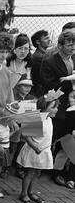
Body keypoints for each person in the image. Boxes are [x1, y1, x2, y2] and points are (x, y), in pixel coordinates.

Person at [40, 31, 75, 187]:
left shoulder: (73, 59)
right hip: (56, 107)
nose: (73, 47)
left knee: (66, 139)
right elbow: (48, 86)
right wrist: (69, 83)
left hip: (72, 107)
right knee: (52, 136)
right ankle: (37, 166)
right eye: (70, 44)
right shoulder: (49, 62)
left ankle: (57, 170)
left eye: (74, 44)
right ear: (60, 46)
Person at [16, 94, 60, 203]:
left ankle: (32, 191)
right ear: (44, 107)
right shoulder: (35, 118)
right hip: (34, 150)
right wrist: (35, 147)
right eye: (54, 107)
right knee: (30, 172)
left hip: (43, 151)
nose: (57, 109)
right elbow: (27, 136)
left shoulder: (49, 119)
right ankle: (24, 193)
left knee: (38, 172)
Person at [30, 30, 51, 97]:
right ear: (38, 42)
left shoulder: (43, 54)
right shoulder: (39, 57)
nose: (49, 40)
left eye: (48, 37)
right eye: (46, 38)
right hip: (41, 92)